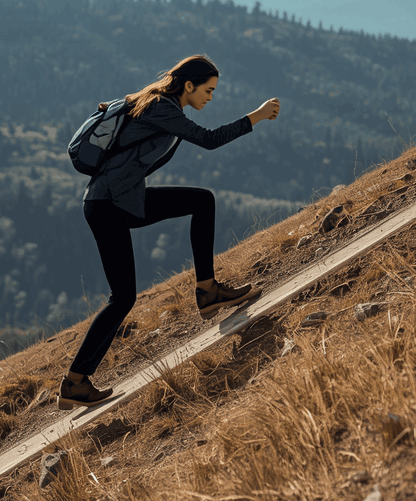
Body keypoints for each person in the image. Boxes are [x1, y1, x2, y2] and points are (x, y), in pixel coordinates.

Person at [57, 54, 280, 408]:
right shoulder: (161, 107)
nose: (211, 97)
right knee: (123, 297)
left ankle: (208, 291)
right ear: (188, 86)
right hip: (110, 204)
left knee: (201, 202)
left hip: (119, 200)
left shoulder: (157, 105)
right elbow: (208, 140)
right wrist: (257, 116)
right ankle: (75, 382)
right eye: (208, 90)